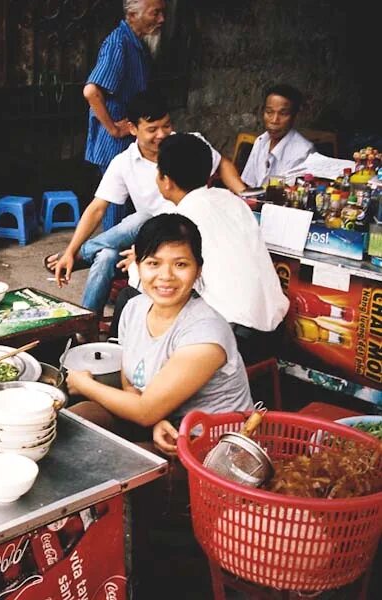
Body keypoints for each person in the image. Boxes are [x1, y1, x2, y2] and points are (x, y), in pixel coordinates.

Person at [67, 213, 254, 455]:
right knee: (76, 421)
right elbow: (131, 382)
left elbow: (144, 410)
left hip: (211, 450)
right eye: (153, 263)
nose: (166, 276)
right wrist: (155, 420)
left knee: (119, 466)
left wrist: (85, 384)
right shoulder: (135, 308)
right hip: (162, 424)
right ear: (138, 266)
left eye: (180, 264)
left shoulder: (206, 332)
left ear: (198, 270)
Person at [48, 90, 245, 314]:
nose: (162, 134)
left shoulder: (186, 146)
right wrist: (69, 249)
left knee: (116, 246)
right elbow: (97, 209)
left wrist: (244, 191)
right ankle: (84, 327)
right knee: (125, 236)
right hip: (148, 232)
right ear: (132, 128)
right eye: (152, 129)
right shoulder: (123, 163)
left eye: (167, 125)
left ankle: (84, 256)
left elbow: (221, 163)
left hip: (181, 236)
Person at [114, 134, 290, 363]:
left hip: (231, 340)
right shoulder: (232, 200)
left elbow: (151, 281)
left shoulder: (181, 221)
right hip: (273, 331)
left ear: (165, 180)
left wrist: (137, 266)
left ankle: (119, 367)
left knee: (130, 297)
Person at [84, 0, 165, 231]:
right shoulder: (118, 44)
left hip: (129, 140)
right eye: (155, 13)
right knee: (115, 215)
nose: (161, 20)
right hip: (115, 144)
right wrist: (113, 128)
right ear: (132, 15)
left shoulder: (136, 44)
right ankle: (103, 260)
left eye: (162, 13)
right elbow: (91, 91)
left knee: (129, 215)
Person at [241, 84, 314, 188]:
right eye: (269, 112)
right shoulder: (261, 141)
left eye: (283, 113)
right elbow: (249, 184)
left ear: (294, 116)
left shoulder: (304, 152)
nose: (274, 120)